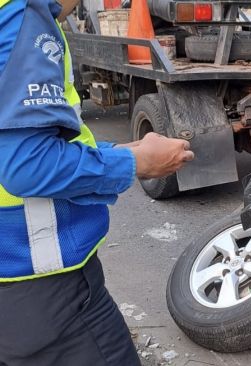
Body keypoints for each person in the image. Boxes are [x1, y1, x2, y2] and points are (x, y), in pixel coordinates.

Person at [0, 0, 194, 364]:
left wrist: (119, 150)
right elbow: (25, 164)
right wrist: (135, 162)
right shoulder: (23, 14)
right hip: (39, 284)